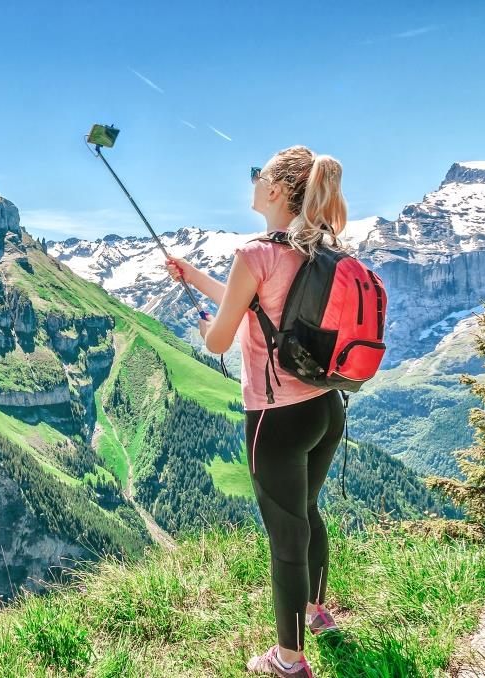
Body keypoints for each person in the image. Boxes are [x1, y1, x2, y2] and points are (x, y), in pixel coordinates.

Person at [164, 145, 349, 677]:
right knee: (307, 514)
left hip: (276, 418)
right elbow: (264, 306)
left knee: (284, 535)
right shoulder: (316, 249)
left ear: (274, 190)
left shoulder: (254, 253)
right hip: (325, 407)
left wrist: (204, 327)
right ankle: (317, 612)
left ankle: (288, 660)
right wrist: (194, 277)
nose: (252, 180)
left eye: (257, 173)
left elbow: (221, 339)